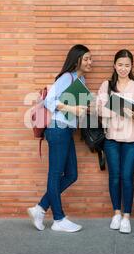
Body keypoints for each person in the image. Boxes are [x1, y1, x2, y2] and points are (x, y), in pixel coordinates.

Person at [27, 44, 92, 232]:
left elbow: (74, 107)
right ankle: (58, 219)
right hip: (57, 129)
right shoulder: (67, 77)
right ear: (77, 59)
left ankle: (40, 208)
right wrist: (73, 108)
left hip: (66, 130)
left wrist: (85, 109)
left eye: (91, 59)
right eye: (86, 59)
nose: (90, 62)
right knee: (55, 174)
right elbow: (50, 101)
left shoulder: (82, 81)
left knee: (72, 174)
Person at [96, 49, 134, 234]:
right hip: (111, 139)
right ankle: (116, 213)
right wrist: (119, 109)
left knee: (127, 178)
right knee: (114, 177)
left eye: (127, 65)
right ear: (114, 65)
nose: (123, 69)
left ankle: (127, 216)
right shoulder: (106, 85)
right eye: (120, 65)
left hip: (132, 139)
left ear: (131, 66)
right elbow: (99, 110)